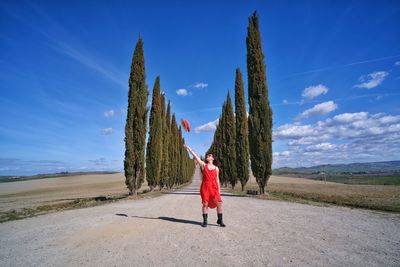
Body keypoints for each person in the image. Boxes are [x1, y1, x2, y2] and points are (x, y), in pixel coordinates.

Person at [184, 144, 226, 228]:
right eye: (207, 155)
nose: (207, 156)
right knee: (205, 204)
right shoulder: (203, 165)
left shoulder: (216, 168)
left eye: (209, 155)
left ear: (213, 158)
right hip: (205, 187)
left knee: (219, 204)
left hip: (214, 188)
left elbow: (217, 179)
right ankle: (205, 221)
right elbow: (196, 157)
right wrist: (188, 148)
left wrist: (219, 189)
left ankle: (220, 220)